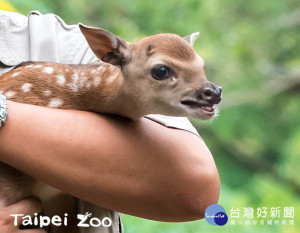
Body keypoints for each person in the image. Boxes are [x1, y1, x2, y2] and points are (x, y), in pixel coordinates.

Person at [0, 10, 220, 233]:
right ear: (107, 50)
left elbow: (195, 191)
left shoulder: (55, 43)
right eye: (162, 71)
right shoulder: (43, 79)